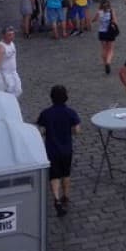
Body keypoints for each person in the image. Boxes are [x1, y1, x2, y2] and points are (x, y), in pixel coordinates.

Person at [36, 85, 81, 218]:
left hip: (51, 150)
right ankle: (65, 197)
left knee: (54, 176)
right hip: (66, 149)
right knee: (66, 174)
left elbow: (41, 130)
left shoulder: (46, 113)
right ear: (66, 97)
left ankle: (56, 198)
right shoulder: (71, 112)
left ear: (52, 98)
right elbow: (77, 131)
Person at [0, 26, 21, 98]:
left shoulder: (12, 43)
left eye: (13, 34)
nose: (12, 37)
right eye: (9, 35)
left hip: (13, 72)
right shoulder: (1, 47)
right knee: (9, 93)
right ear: (4, 35)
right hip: (5, 74)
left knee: (18, 90)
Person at [96, 0, 117, 75]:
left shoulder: (99, 12)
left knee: (104, 49)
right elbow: (115, 21)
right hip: (110, 32)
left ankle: (105, 63)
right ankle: (108, 62)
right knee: (110, 49)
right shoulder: (111, 11)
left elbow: (95, 19)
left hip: (102, 32)